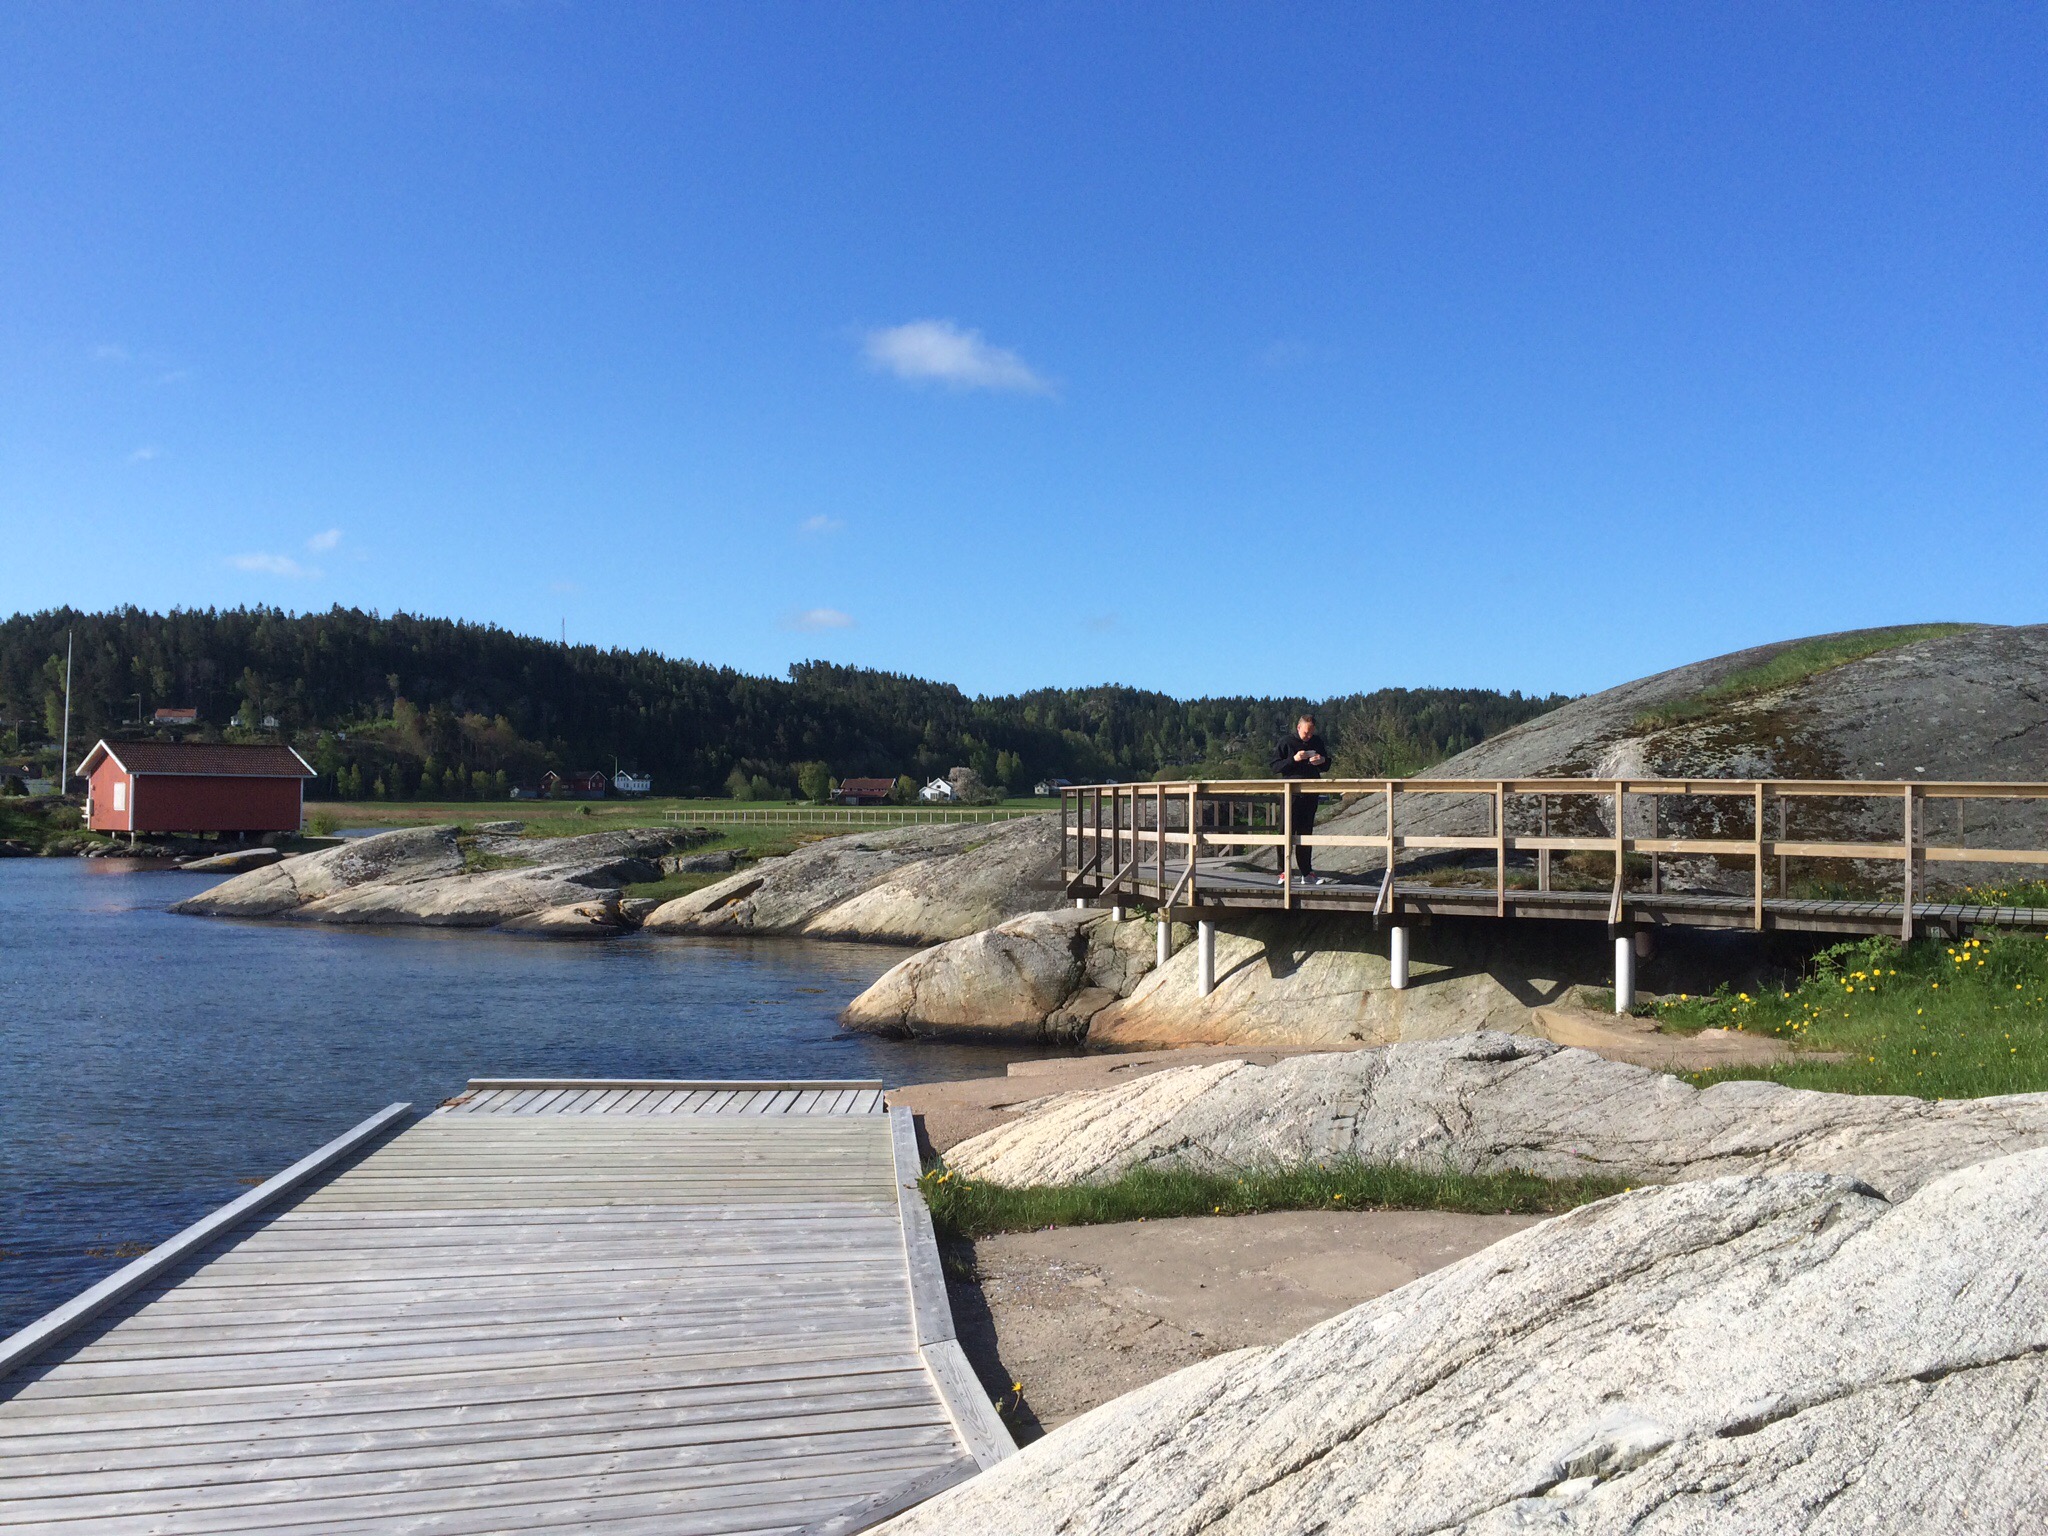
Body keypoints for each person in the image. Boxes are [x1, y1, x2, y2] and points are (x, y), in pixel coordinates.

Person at [1271, 713, 1331, 881]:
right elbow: (1275, 766)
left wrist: (1321, 760)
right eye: (1306, 732)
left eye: (1311, 733)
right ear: (1298, 728)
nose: (1309, 736)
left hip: (1311, 793)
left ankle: (1306, 872)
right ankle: (1284, 872)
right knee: (1285, 831)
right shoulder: (1286, 742)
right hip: (1291, 794)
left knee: (1306, 833)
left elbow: (1327, 765)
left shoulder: (1317, 742)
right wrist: (1294, 759)